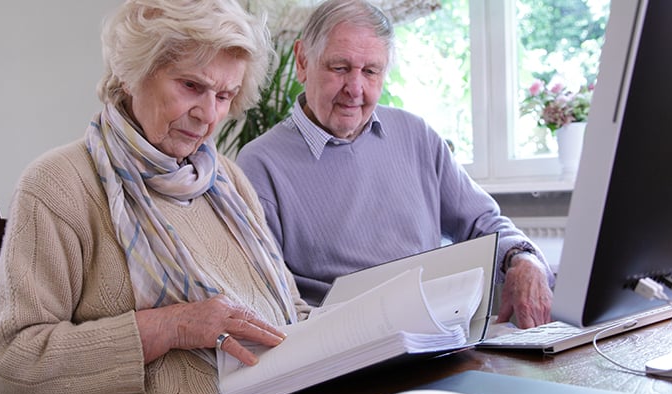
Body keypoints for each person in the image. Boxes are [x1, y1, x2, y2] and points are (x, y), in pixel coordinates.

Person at [0, 0, 311, 394]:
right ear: (131, 73)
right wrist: (170, 327)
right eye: (191, 85)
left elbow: (290, 311)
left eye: (224, 96)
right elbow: (7, 368)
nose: (208, 115)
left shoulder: (226, 178)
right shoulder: (58, 185)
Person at [236, 0, 554, 329]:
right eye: (340, 68)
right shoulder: (259, 165)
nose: (355, 89)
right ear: (303, 61)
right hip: (341, 349)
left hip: (439, 334)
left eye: (370, 71)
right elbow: (265, 296)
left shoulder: (417, 135)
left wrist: (524, 258)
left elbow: (484, 222)